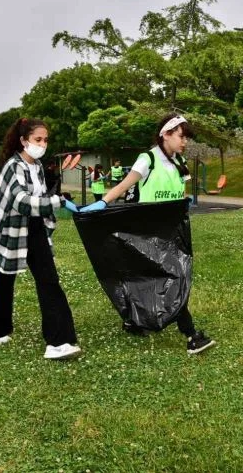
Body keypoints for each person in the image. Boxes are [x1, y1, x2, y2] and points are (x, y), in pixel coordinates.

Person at [80, 113, 216, 355]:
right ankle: (191, 334)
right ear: (166, 134)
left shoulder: (179, 161)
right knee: (170, 277)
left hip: (172, 230)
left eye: (186, 138)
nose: (185, 142)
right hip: (148, 231)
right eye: (181, 137)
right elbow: (125, 185)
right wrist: (102, 204)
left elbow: (178, 192)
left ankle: (132, 321)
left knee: (163, 276)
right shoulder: (148, 159)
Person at [0, 118, 82, 360]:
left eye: (45, 140)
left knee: (49, 280)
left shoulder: (37, 166)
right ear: (23, 141)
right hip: (12, 229)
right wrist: (58, 202)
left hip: (34, 227)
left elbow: (39, 196)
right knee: (4, 278)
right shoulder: (12, 167)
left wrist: (56, 194)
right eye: (38, 139)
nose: (43, 144)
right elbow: (22, 202)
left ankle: (59, 341)